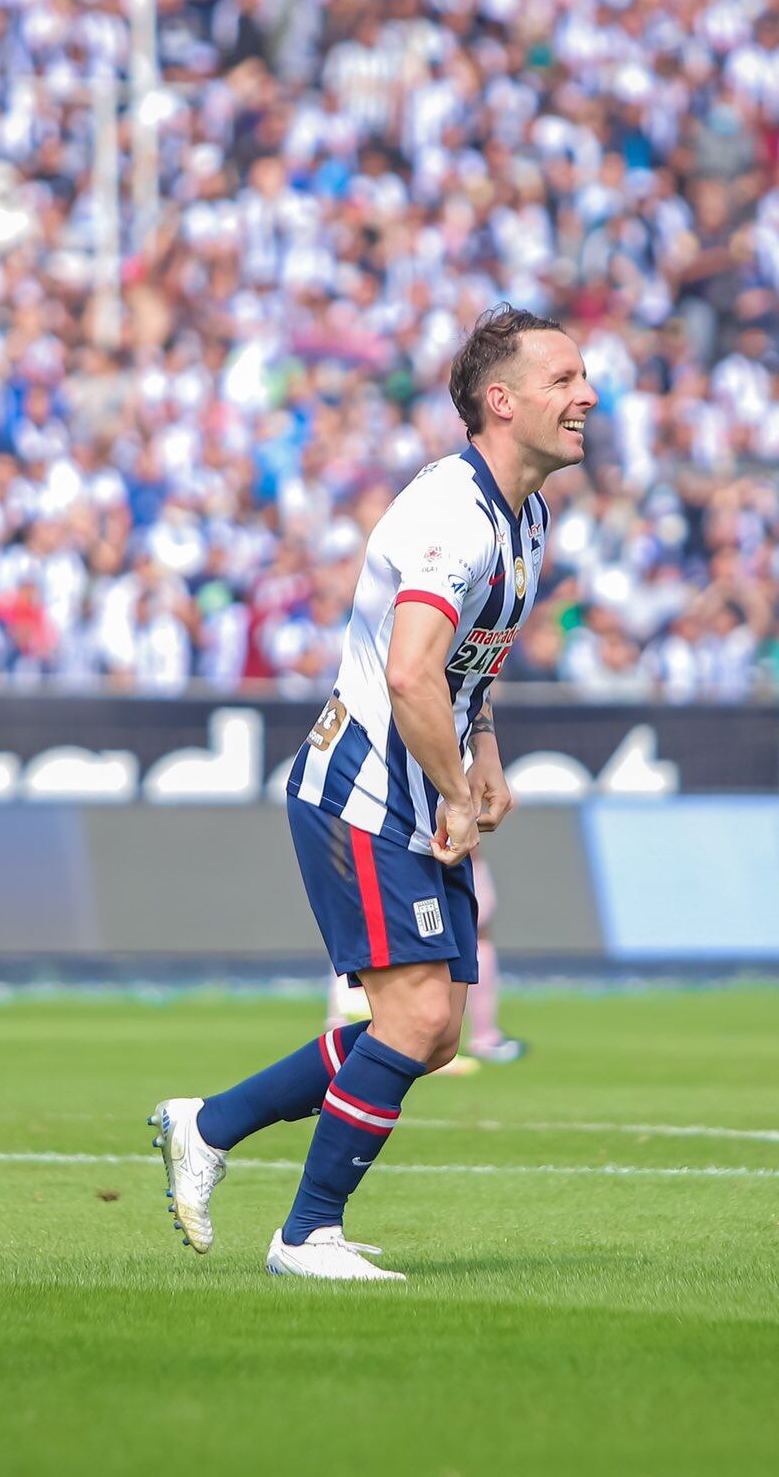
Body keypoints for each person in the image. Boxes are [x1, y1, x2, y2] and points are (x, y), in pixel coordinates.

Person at [150, 305, 594, 1281]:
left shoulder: (523, 515)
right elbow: (406, 673)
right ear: (500, 400)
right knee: (416, 1022)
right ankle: (305, 1235)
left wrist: (480, 750)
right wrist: (449, 793)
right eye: (562, 380)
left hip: (411, 783)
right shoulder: (452, 515)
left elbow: (464, 668)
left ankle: (209, 1122)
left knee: (428, 1033)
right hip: (363, 789)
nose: (586, 396)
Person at [325, 855, 525, 1073]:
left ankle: (478, 1035)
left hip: (423, 852)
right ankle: (350, 1022)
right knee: (398, 932)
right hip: (409, 852)